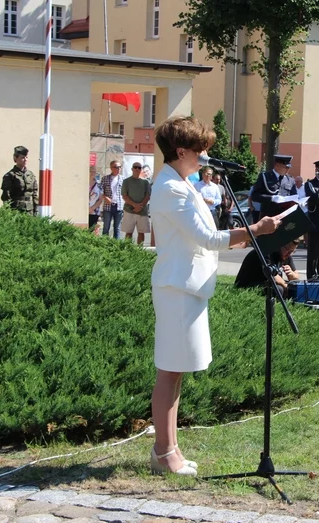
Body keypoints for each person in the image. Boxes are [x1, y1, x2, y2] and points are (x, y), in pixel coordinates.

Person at [148, 115, 280, 476]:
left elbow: (205, 235)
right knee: (170, 370)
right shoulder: (171, 188)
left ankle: (169, 448)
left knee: (175, 372)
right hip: (177, 287)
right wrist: (256, 229)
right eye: (200, 148)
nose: (206, 154)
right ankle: (163, 451)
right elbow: (208, 239)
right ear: (180, 151)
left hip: (187, 286)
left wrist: (245, 233)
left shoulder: (183, 183)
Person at [234, 240, 301, 292]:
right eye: (288, 250)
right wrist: (287, 286)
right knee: (279, 289)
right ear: (281, 244)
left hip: (266, 283)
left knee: (296, 286)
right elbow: (273, 276)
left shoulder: (287, 256)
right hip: (248, 285)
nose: (289, 253)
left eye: (292, 251)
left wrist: (291, 274)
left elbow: (296, 277)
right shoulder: (267, 252)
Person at [1, 146, 39, 215]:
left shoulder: (30, 175)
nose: (25, 159)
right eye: (22, 157)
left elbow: (34, 194)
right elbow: (6, 196)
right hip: (17, 210)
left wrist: (36, 210)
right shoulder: (10, 175)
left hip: (30, 210)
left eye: (26, 157)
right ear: (16, 158)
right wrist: (8, 212)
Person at [122, 162, 153, 244]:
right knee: (128, 232)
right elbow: (124, 195)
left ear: (141, 170)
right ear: (132, 169)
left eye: (139, 168)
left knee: (141, 232)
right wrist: (134, 205)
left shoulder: (146, 182)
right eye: (135, 167)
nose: (137, 169)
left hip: (142, 211)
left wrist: (140, 206)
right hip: (129, 210)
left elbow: (148, 196)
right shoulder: (126, 181)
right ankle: (128, 250)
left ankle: (139, 251)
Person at [101, 161, 125, 238]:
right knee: (106, 227)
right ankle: (104, 245)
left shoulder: (123, 179)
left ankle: (116, 247)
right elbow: (100, 191)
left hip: (119, 206)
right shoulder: (105, 178)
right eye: (116, 167)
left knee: (117, 228)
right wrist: (105, 197)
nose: (118, 169)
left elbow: (126, 193)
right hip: (108, 206)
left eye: (119, 167)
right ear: (111, 168)